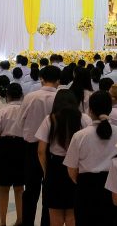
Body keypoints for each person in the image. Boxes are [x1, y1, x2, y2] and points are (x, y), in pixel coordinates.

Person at [66, 91, 117, 226]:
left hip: (86, 187)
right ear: (110, 110)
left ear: (90, 110)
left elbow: (71, 169)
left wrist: (82, 182)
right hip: (111, 187)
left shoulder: (80, 136)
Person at [37, 89, 86, 226]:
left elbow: (41, 150)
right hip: (77, 166)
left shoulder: (50, 119)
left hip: (55, 167)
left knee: (55, 215)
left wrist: (46, 171)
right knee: (72, 214)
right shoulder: (83, 118)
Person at [22, 65, 62, 226]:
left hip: (32, 147)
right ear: (58, 81)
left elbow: (20, 122)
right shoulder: (61, 98)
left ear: (41, 79)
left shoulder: (30, 97)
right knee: (50, 190)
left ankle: (27, 222)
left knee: (30, 189)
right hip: (54, 150)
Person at [0, 82, 25, 223]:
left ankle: (2, 222)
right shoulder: (25, 111)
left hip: (4, 149)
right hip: (21, 148)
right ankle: (20, 220)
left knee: (3, 188)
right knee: (19, 188)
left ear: (7, 96)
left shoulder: (1, 112)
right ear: (22, 95)